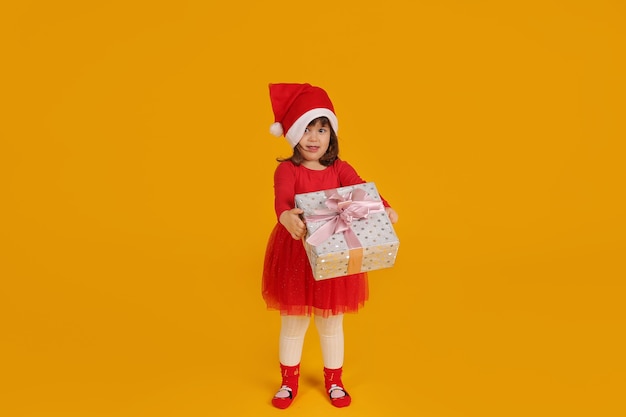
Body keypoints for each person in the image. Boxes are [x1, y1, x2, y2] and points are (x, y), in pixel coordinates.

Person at [262, 83, 398, 409]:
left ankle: (334, 380)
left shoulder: (339, 168)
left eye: (321, 129)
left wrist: (385, 207)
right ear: (294, 134)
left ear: (331, 134)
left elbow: (361, 189)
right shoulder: (287, 170)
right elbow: (282, 202)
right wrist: (287, 218)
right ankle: (288, 382)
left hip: (334, 251)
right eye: (306, 129)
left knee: (330, 321)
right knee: (293, 321)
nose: (313, 137)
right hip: (296, 252)